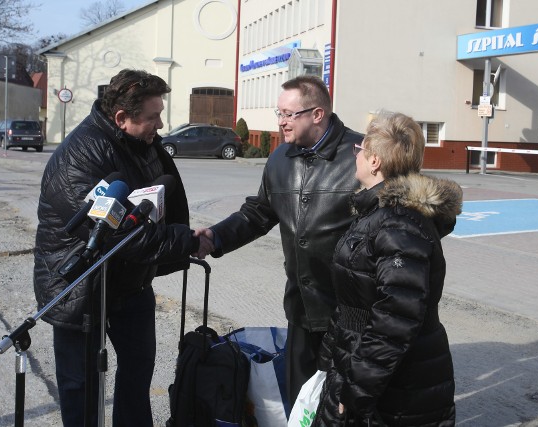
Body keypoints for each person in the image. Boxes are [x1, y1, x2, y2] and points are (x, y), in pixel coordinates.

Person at [33, 69, 210, 426]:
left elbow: (158, 202)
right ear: (121, 118)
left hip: (130, 283)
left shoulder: (142, 142)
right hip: (79, 287)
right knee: (80, 384)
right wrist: (186, 241)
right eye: (153, 116)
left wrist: (176, 238)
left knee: (137, 372)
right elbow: (116, 233)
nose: (161, 124)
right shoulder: (77, 158)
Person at [201, 75, 362, 406]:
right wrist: (214, 237)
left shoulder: (362, 156)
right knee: (300, 403)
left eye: (289, 114)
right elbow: (258, 214)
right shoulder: (280, 158)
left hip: (352, 312)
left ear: (317, 114)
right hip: (302, 309)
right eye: (279, 113)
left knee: (346, 404)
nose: (281, 122)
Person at [313, 112, 462, 426]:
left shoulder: (399, 225)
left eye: (360, 150)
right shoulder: (379, 214)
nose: (356, 155)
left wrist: (357, 388)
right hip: (359, 366)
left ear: (375, 161)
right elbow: (355, 298)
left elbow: (395, 319)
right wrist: (330, 355)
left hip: (394, 388)